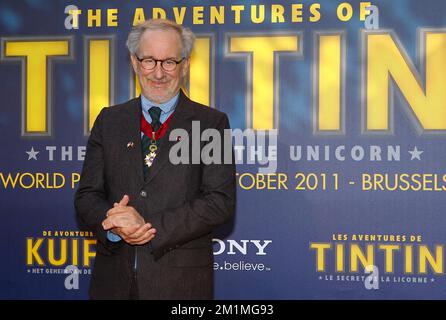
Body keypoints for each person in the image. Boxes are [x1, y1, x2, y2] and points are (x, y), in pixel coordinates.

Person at [74, 18, 236, 300]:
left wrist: (147, 228)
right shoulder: (109, 121)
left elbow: (218, 202)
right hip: (112, 284)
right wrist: (114, 226)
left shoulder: (210, 124)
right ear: (135, 63)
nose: (158, 73)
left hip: (181, 287)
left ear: (185, 65)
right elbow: (87, 196)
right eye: (149, 60)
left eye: (169, 62)